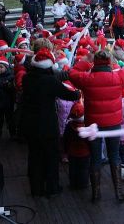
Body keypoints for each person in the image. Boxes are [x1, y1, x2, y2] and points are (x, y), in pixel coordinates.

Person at [69, 48, 124, 203]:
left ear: (94, 62)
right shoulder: (118, 77)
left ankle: (96, 194)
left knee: (95, 158)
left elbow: (72, 72)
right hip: (113, 124)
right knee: (114, 156)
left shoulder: (86, 79)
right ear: (110, 62)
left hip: (93, 126)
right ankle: (118, 192)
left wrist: (85, 61)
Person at [21, 48, 81, 197]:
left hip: (29, 123)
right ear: (49, 65)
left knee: (34, 157)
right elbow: (69, 95)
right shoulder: (50, 80)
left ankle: (36, 188)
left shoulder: (27, 78)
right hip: (47, 125)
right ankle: (52, 187)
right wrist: (78, 92)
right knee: (51, 156)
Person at [64, 102, 90, 190]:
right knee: (84, 169)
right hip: (85, 153)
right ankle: (83, 184)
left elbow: (65, 139)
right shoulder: (87, 127)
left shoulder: (69, 126)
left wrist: (65, 150)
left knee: (72, 169)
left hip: (72, 152)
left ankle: (73, 184)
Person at [0, 56, 15, 140]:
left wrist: (9, 86)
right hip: (0, 103)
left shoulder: (10, 77)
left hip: (8, 103)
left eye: (1, 67)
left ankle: (12, 134)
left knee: (10, 119)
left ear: (6, 67)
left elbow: (13, 90)